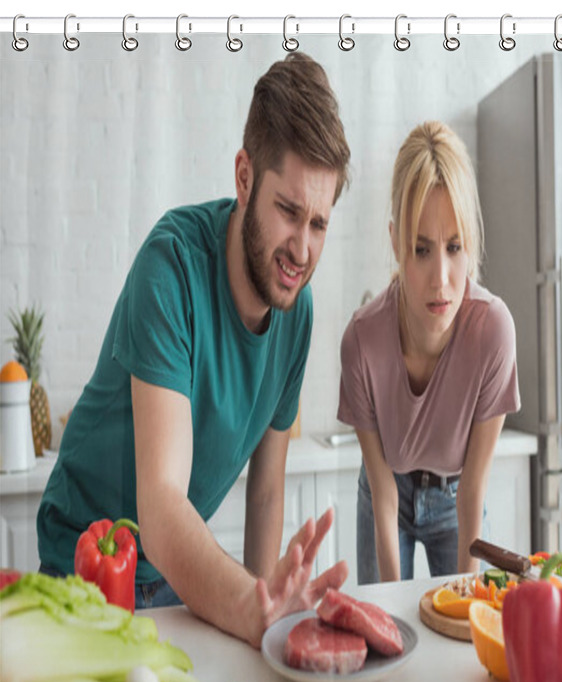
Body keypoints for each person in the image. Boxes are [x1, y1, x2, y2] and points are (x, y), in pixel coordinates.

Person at [36, 53, 350, 648]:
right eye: (288, 211)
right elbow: (161, 504)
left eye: (319, 223)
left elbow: (265, 489)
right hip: (90, 556)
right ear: (244, 176)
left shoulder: (296, 312)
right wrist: (252, 607)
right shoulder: (171, 267)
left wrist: (268, 618)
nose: (302, 250)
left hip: (176, 571)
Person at [338, 121, 520, 584]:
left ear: (469, 246)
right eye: (421, 250)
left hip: (457, 495)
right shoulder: (362, 340)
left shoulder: (493, 332)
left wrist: (464, 605)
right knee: (386, 639)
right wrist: (392, 611)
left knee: (464, 631)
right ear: (396, 242)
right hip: (387, 493)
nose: (441, 278)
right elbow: (381, 491)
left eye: (454, 247)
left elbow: (474, 487)